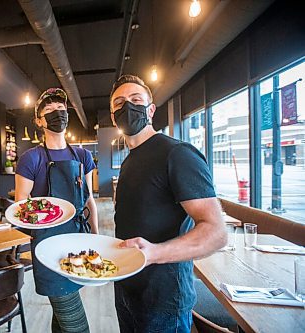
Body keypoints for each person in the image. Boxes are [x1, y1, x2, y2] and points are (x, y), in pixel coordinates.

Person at [109, 75, 227, 333]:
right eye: (119, 103)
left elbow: (216, 232)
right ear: (112, 116)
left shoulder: (177, 153)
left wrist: (153, 253)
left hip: (164, 300)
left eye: (136, 100)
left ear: (150, 110)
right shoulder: (129, 161)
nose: (127, 107)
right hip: (127, 289)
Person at [15, 87, 99, 333]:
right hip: (46, 246)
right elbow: (22, 203)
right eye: (49, 110)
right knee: (76, 325)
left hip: (76, 240)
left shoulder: (83, 155)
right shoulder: (31, 159)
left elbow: (89, 200)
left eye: (61, 109)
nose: (57, 113)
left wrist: (95, 236)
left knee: (62, 318)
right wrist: (33, 228)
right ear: (39, 120)